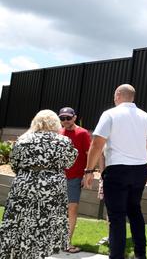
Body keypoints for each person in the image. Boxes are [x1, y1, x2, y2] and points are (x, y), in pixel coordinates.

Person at [83, 84, 147, 259]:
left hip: (117, 170)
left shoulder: (110, 114)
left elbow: (97, 144)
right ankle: (140, 254)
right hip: (139, 170)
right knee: (135, 211)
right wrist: (144, 164)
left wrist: (89, 170)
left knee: (117, 217)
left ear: (118, 96)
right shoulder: (146, 117)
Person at [0, 110, 77, 259]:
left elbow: (14, 164)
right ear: (55, 123)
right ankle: (40, 253)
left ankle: (21, 252)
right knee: (45, 224)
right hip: (52, 188)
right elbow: (69, 162)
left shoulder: (23, 139)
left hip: (25, 184)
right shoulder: (63, 141)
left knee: (21, 221)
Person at [58, 106, 91, 254]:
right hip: (57, 177)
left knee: (72, 209)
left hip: (74, 178)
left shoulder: (82, 133)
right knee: (58, 210)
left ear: (74, 117)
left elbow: (89, 154)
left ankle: (67, 243)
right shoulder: (58, 132)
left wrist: (88, 174)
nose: (65, 121)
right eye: (62, 118)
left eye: (68, 118)